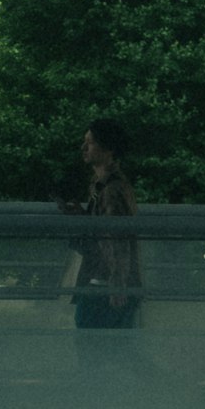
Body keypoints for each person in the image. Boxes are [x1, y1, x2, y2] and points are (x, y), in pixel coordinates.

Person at [64, 119, 140, 330]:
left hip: (103, 286)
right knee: (117, 351)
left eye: (90, 142)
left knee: (91, 349)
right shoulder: (109, 186)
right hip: (109, 284)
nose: (84, 147)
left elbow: (116, 239)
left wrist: (118, 286)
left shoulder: (109, 191)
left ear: (108, 149)